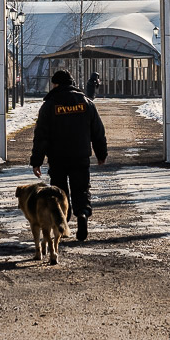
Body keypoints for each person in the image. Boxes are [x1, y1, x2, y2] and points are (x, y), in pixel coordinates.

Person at [30, 69, 107, 242]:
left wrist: (36, 161)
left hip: (57, 158)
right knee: (81, 189)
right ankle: (83, 213)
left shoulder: (49, 105)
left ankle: (63, 222)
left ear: (56, 84)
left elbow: (41, 136)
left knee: (59, 192)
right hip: (80, 156)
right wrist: (101, 154)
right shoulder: (86, 103)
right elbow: (98, 131)